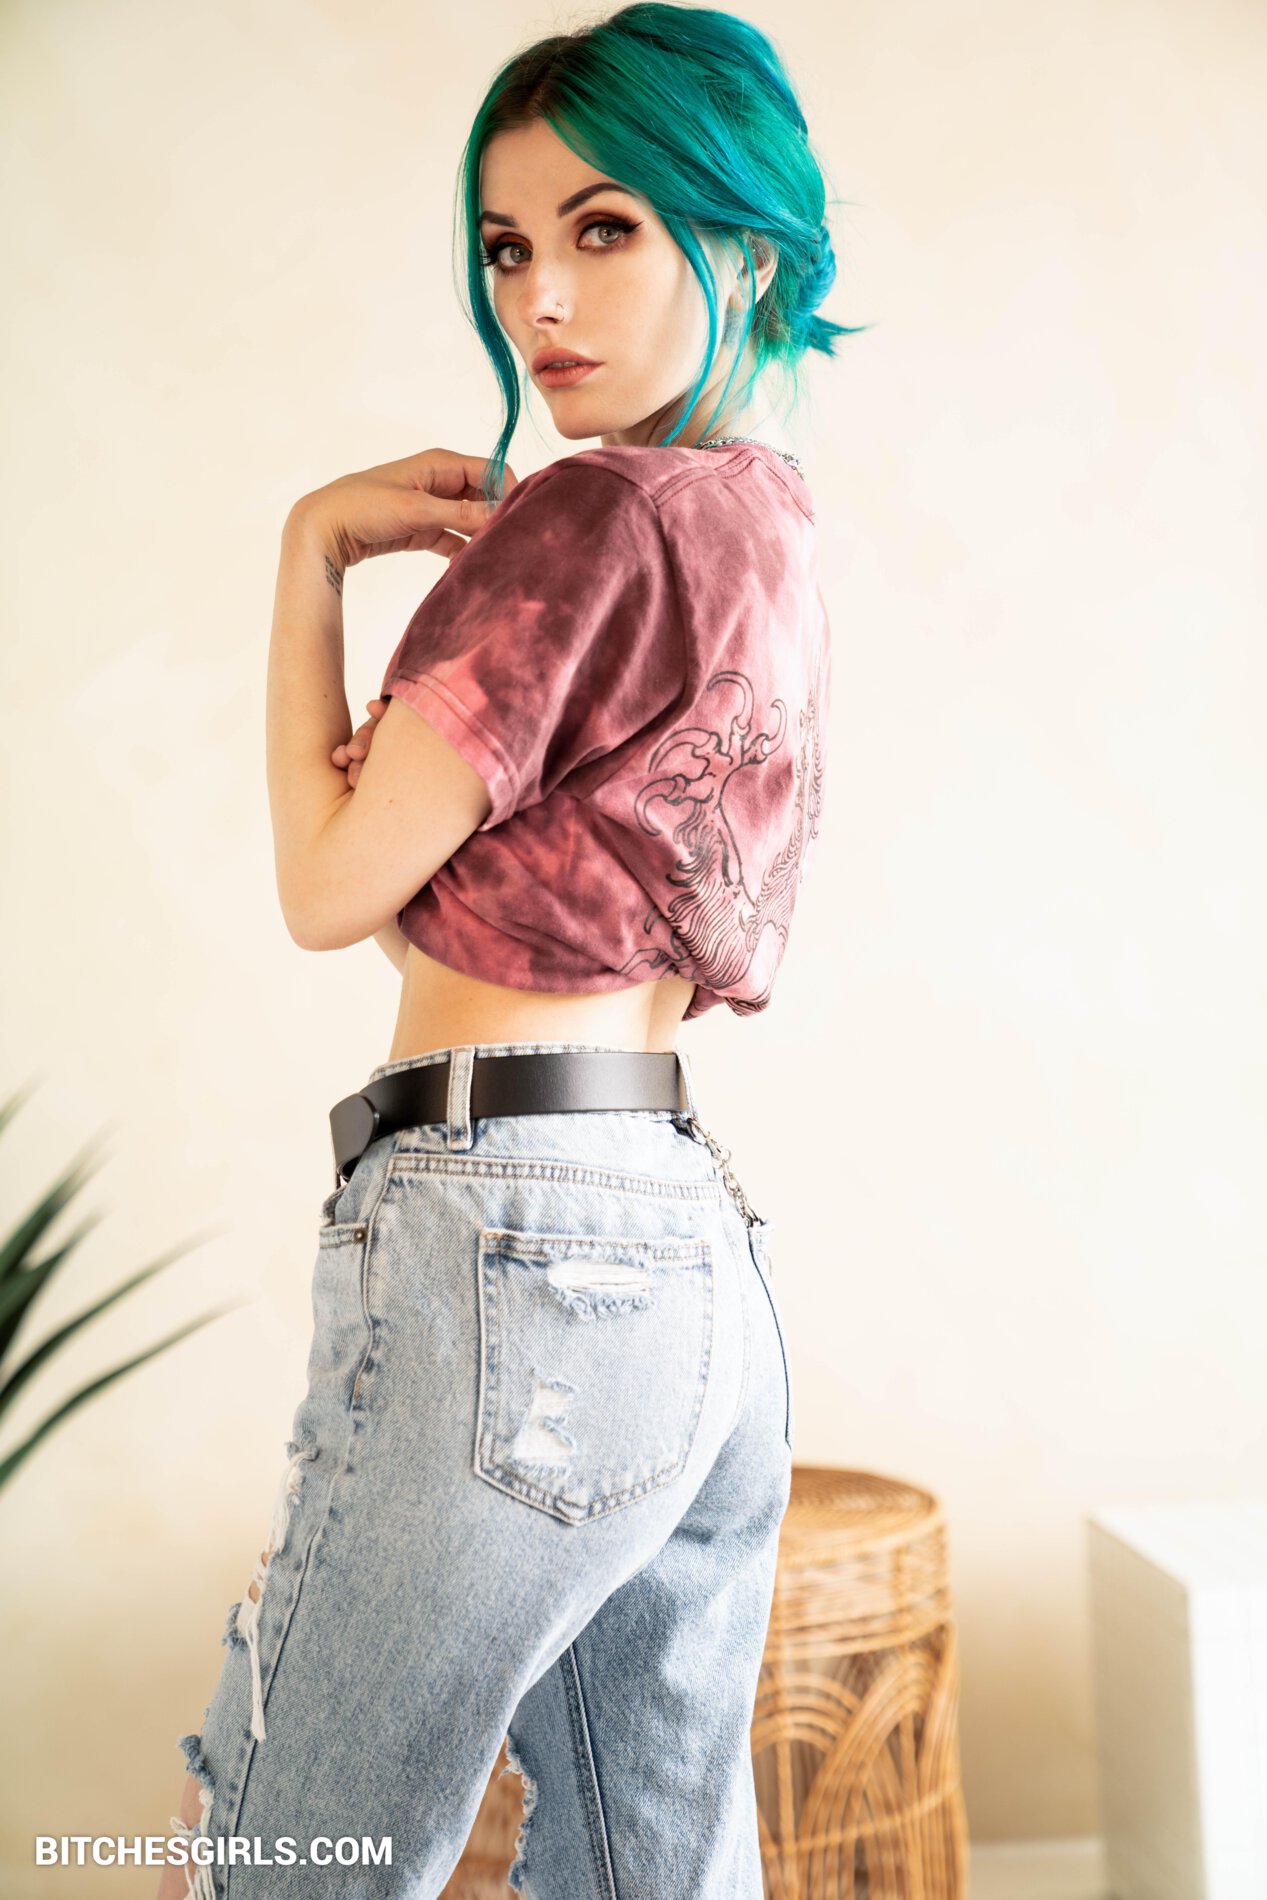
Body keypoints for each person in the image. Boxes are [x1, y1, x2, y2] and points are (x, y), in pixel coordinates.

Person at [158, 5, 858, 1894]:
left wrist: (310, 553)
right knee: (652, 1867)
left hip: (509, 1231)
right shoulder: (768, 525)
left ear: (747, 243)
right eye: (506, 245)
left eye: (604, 228)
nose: (540, 296)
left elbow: (329, 887)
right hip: (688, 1243)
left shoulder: (589, 517)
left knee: (291, 1852)